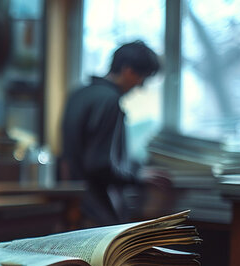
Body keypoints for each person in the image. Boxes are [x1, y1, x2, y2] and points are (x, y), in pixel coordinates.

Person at [60, 40, 171, 226]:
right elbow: (99, 164)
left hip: (72, 203)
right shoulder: (110, 101)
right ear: (128, 71)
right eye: (142, 78)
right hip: (96, 208)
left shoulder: (79, 94)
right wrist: (137, 177)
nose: (141, 87)